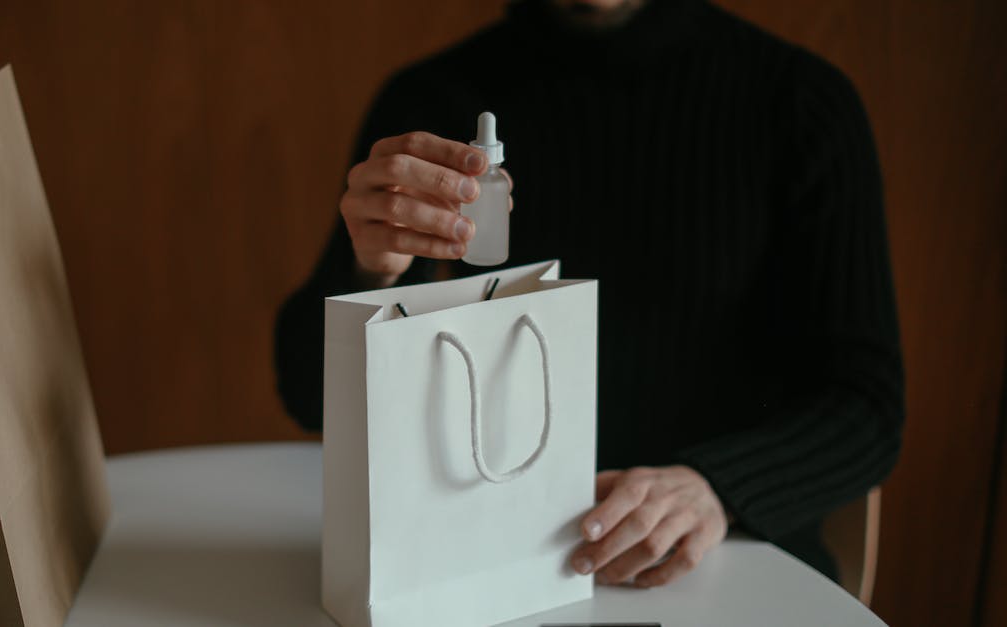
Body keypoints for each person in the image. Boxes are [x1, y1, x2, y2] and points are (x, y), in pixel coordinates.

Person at [275, 0, 903, 588]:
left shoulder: (799, 104)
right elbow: (308, 395)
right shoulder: (433, 101)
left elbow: (867, 406)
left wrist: (718, 487)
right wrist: (369, 276)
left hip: (724, 561)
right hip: (491, 559)